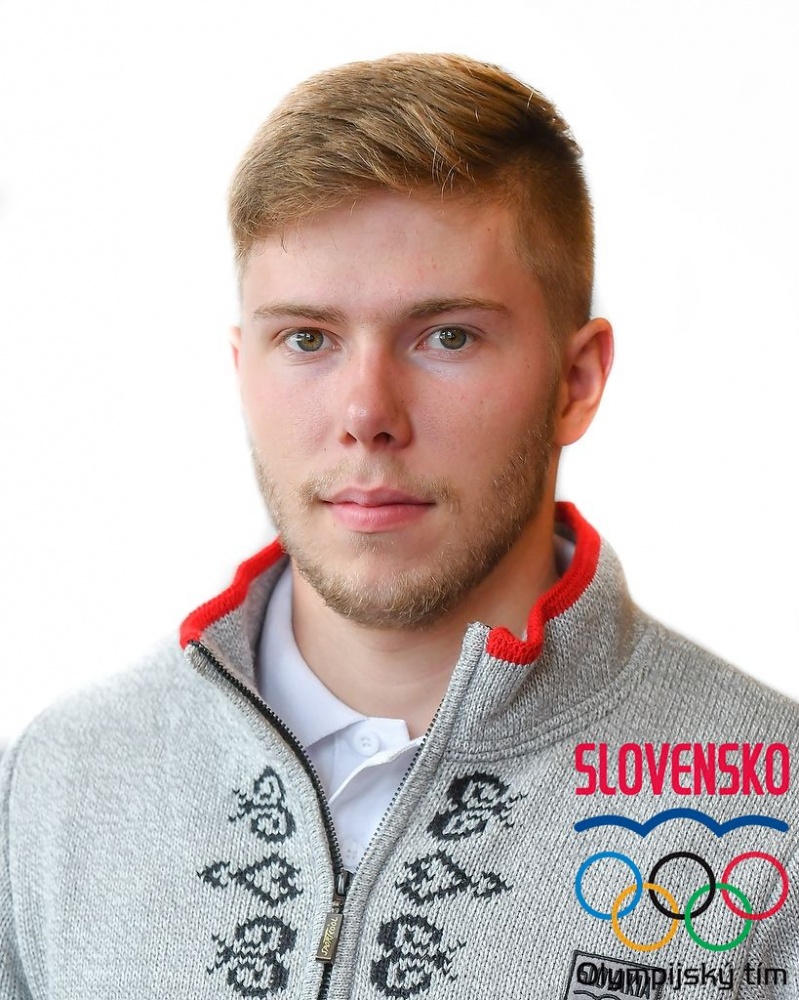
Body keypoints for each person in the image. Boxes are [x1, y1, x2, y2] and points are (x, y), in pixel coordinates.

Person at [1, 52, 798, 1000]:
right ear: (242, 367)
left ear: (575, 382)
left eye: (447, 336)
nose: (365, 413)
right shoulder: (57, 784)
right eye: (306, 338)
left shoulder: (775, 810)